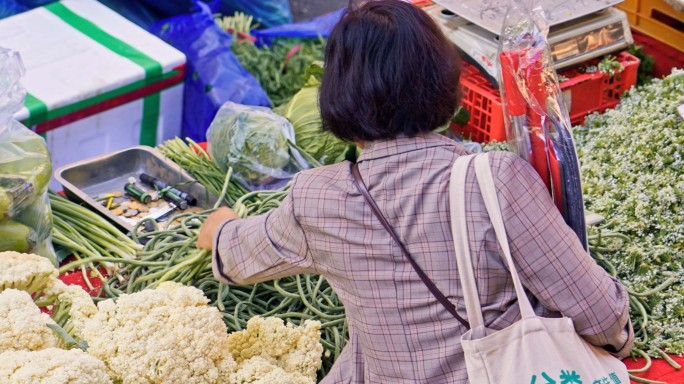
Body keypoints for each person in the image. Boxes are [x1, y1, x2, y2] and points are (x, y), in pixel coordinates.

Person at [197, 1, 634, 382]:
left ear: (336, 95)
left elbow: (233, 259)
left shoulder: (315, 197)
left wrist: (219, 228)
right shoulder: (495, 178)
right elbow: (604, 318)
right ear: (444, 83)